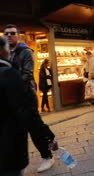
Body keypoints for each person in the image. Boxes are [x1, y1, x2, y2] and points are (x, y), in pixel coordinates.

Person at [3, 24, 56, 173]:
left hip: (26, 96)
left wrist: (10, 82)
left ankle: (47, 155)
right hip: (13, 97)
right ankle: (18, 163)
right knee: (17, 130)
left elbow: (27, 74)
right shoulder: (7, 53)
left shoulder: (25, 52)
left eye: (12, 33)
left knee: (34, 128)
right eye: (6, 33)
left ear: (18, 36)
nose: (9, 35)